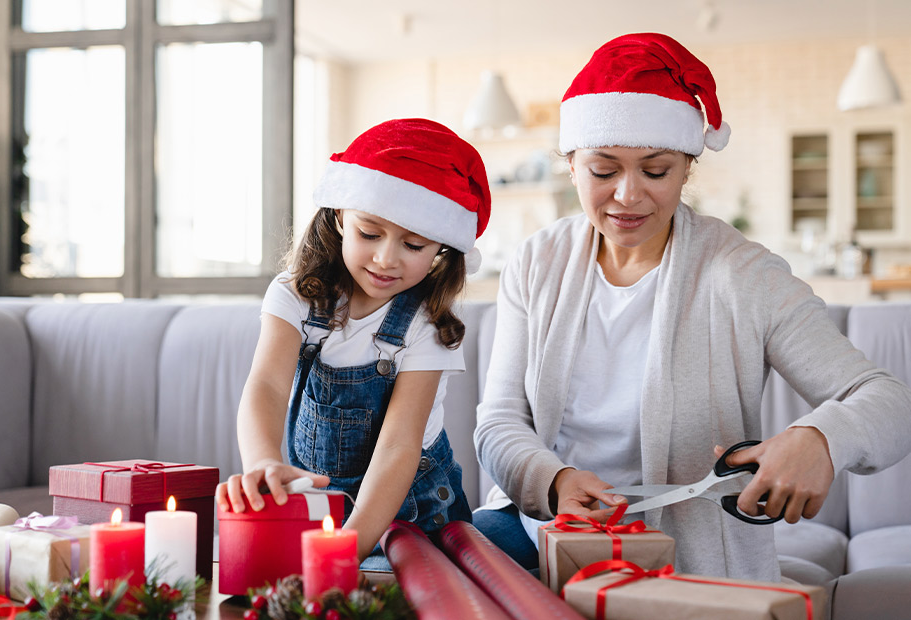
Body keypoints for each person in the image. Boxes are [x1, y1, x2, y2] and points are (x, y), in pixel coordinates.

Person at [472, 32, 911, 582]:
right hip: (542, 531)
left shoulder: (744, 274)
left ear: (686, 168)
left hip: (684, 556)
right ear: (571, 165)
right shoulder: (537, 262)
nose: (628, 196)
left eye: (655, 171)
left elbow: (889, 402)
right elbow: (499, 420)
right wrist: (553, 480)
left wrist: (822, 438)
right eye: (603, 170)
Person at [216, 118, 491, 569]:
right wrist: (263, 463)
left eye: (414, 244)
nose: (386, 258)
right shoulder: (294, 294)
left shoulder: (428, 325)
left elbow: (399, 446)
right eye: (370, 233)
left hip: (413, 515)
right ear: (340, 215)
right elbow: (266, 385)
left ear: (442, 248)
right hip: (324, 511)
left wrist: (350, 549)